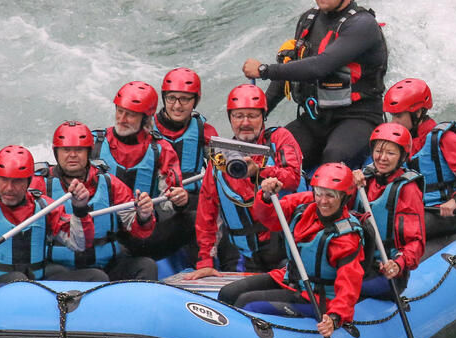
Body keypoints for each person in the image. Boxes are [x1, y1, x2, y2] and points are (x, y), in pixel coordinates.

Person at [242, 0, 388, 172]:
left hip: (358, 118)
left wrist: (265, 70)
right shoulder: (308, 20)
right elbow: (289, 75)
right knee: (275, 153)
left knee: (334, 156)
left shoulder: (361, 25)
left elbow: (321, 66)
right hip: (315, 118)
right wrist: (258, 113)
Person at [216, 163, 364, 337]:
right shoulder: (304, 203)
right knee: (227, 293)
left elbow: (349, 284)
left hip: (317, 296)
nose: (323, 201)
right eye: (319, 194)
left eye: (330, 196)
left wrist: (335, 317)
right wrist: (265, 197)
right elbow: (269, 218)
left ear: (344, 198)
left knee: (246, 303)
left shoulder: (347, 236)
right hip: (289, 278)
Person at [0, 145, 98, 301]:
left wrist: (80, 209)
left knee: (96, 277)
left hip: (33, 286)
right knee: (18, 280)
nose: (9, 188)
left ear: (28, 181)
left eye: (17, 181)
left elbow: (80, 244)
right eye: (4, 180)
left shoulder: (43, 206)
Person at [184, 83, 304, 279]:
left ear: (263, 117)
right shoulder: (220, 158)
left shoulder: (279, 138)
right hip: (244, 254)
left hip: (286, 247)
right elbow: (207, 212)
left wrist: (260, 171)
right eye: (239, 116)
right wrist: (205, 261)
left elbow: (292, 177)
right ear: (230, 119)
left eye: (252, 116)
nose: (245, 123)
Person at [34, 121, 159, 281]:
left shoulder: (109, 183)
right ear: (56, 153)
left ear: (89, 152)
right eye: (66, 150)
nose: (72, 155)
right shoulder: (39, 184)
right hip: (59, 269)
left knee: (147, 266)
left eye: (79, 150)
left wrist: (144, 216)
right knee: (96, 277)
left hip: (106, 264)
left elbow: (137, 229)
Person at [383, 78, 456, 238]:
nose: (393, 122)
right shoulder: (397, 140)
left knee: (396, 231)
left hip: (442, 213)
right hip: (409, 209)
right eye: (392, 116)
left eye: (398, 116)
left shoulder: (445, 139)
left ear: (418, 113)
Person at [91, 81, 190, 260]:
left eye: (130, 115)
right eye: (120, 111)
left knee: (191, 219)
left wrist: (178, 200)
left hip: (140, 232)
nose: (122, 119)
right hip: (100, 231)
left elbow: (168, 204)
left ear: (145, 119)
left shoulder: (162, 150)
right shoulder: (94, 142)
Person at [150, 67, 219, 262]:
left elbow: (222, 167)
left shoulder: (204, 130)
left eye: (185, 99)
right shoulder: (145, 130)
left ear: (195, 101)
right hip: (158, 205)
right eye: (172, 98)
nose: (177, 105)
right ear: (164, 98)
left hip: (193, 201)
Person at [352, 123, 425, 299]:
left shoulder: (407, 190)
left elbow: (416, 241)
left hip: (387, 273)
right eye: (378, 151)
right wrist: (347, 182)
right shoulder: (363, 178)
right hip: (358, 264)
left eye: (390, 153)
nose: (382, 158)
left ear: (401, 156)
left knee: (335, 286)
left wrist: (398, 264)